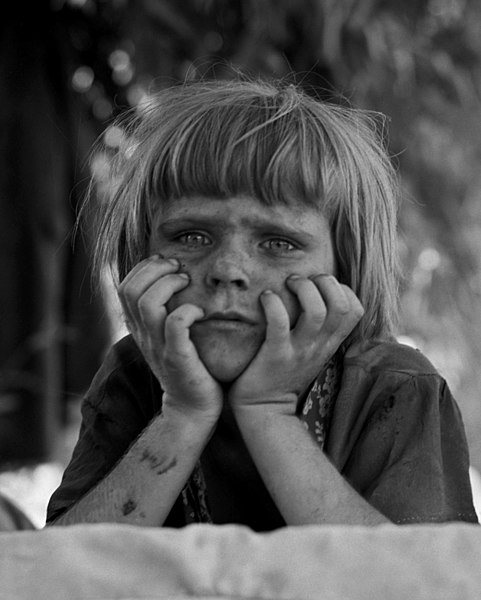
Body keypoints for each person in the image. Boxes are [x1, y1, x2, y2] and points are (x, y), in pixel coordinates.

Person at [46, 78, 478, 528]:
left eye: (278, 242)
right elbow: (54, 580)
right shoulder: (136, 375)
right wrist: (183, 413)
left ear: (344, 272)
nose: (228, 269)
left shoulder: (396, 387)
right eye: (191, 236)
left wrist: (267, 410)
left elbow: (412, 584)